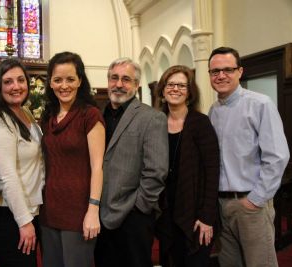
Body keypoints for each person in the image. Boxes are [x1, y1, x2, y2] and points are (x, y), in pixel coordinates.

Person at [208, 47, 290, 267]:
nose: (221, 75)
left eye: (228, 69)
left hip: (250, 204)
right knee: (229, 263)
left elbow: (277, 156)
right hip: (221, 205)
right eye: (215, 71)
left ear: (240, 71)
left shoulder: (260, 104)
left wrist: (255, 199)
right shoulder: (213, 111)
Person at [94, 57, 168, 267]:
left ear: (136, 85)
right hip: (99, 215)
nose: (118, 84)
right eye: (114, 78)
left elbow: (156, 171)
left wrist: (138, 208)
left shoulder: (151, 118)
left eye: (126, 79)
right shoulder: (98, 116)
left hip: (133, 217)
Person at [39, 51, 105, 267]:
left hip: (78, 211)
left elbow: (97, 166)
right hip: (49, 210)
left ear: (80, 81)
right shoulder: (48, 116)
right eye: (58, 80)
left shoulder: (90, 115)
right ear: (50, 83)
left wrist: (93, 210)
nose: (63, 85)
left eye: (70, 79)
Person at [155, 65, 220, 267]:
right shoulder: (155, 123)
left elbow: (212, 171)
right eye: (171, 84)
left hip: (195, 212)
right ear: (163, 90)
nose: (176, 89)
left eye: (182, 85)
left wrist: (207, 217)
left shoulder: (201, 123)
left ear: (190, 92)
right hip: (165, 211)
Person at [0, 59, 45, 267]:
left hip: (30, 209)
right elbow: (7, 176)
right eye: (8, 82)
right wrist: (24, 221)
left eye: (20, 80)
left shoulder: (24, 112)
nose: (16, 86)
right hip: (10, 214)